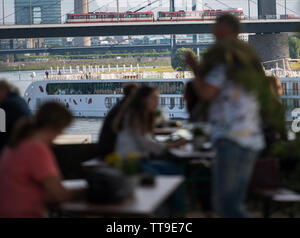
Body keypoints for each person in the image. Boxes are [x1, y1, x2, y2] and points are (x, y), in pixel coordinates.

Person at [186, 14, 266, 218]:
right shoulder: (246, 60)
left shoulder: (224, 60)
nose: (211, 30)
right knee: (232, 203)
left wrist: (195, 70)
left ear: (223, 29)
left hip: (231, 137)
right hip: (250, 136)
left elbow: (206, 93)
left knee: (226, 205)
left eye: (215, 25)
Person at [0, 101, 82, 218]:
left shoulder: (15, 144)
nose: (61, 134)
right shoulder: (36, 149)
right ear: (55, 127)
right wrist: (85, 191)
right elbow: (58, 194)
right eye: (62, 129)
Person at [114, 85, 186, 214]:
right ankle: (169, 213)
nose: (156, 102)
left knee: (175, 170)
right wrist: (173, 145)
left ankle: (175, 212)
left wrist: (169, 144)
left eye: (157, 98)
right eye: (153, 98)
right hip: (130, 163)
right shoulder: (134, 116)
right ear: (143, 99)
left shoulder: (139, 115)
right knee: (158, 177)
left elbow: (147, 141)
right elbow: (145, 143)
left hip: (140, 160)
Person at [97, 82, 138, 158]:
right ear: (133, 91)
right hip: (112, 153)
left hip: (107, 149)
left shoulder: (121, 105)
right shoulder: (125, 109)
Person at [0, 79, 31, 153]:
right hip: (27, 142)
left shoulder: (6, 105)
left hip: (15, 147)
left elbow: (1, 131)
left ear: (3, 90)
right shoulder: (20, 100)